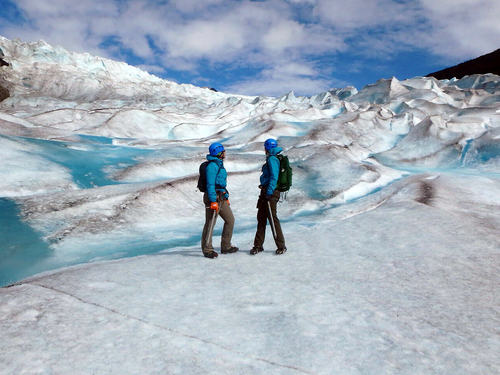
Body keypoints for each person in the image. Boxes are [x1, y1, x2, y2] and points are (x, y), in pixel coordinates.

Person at [201, 142, 238, 258]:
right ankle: (207, 249)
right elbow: (210, 185)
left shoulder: (219, 164)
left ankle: (226, 246)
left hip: (221, 197)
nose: (225, 153)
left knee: (230, 220)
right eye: (224, 151)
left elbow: (221, 184)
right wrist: (213, 201)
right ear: (219, 153)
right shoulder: (212, 166)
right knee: (210, 223)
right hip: (214, 197)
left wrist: (226, 197)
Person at [250, 138, 287, 255]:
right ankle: (258, 245)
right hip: (266, 192)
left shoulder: (272, 159)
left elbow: (274, 177)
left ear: (267, 147)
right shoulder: (273, 157)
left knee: (272, 218)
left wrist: (269, 193)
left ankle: (281, 246)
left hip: (270, 193)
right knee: (261, 218)